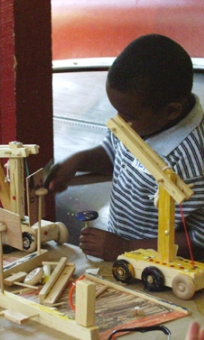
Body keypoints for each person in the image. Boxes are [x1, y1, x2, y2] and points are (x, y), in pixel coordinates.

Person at [46, 34, 204, 261]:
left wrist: (126, 247)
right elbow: (114, 154)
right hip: (121, 258)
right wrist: (78, 161)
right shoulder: (140, 123)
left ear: (171, 111)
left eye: (127, 116)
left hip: (164, 273)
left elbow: (198, 242)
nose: (119, 122)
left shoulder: (193, 160)